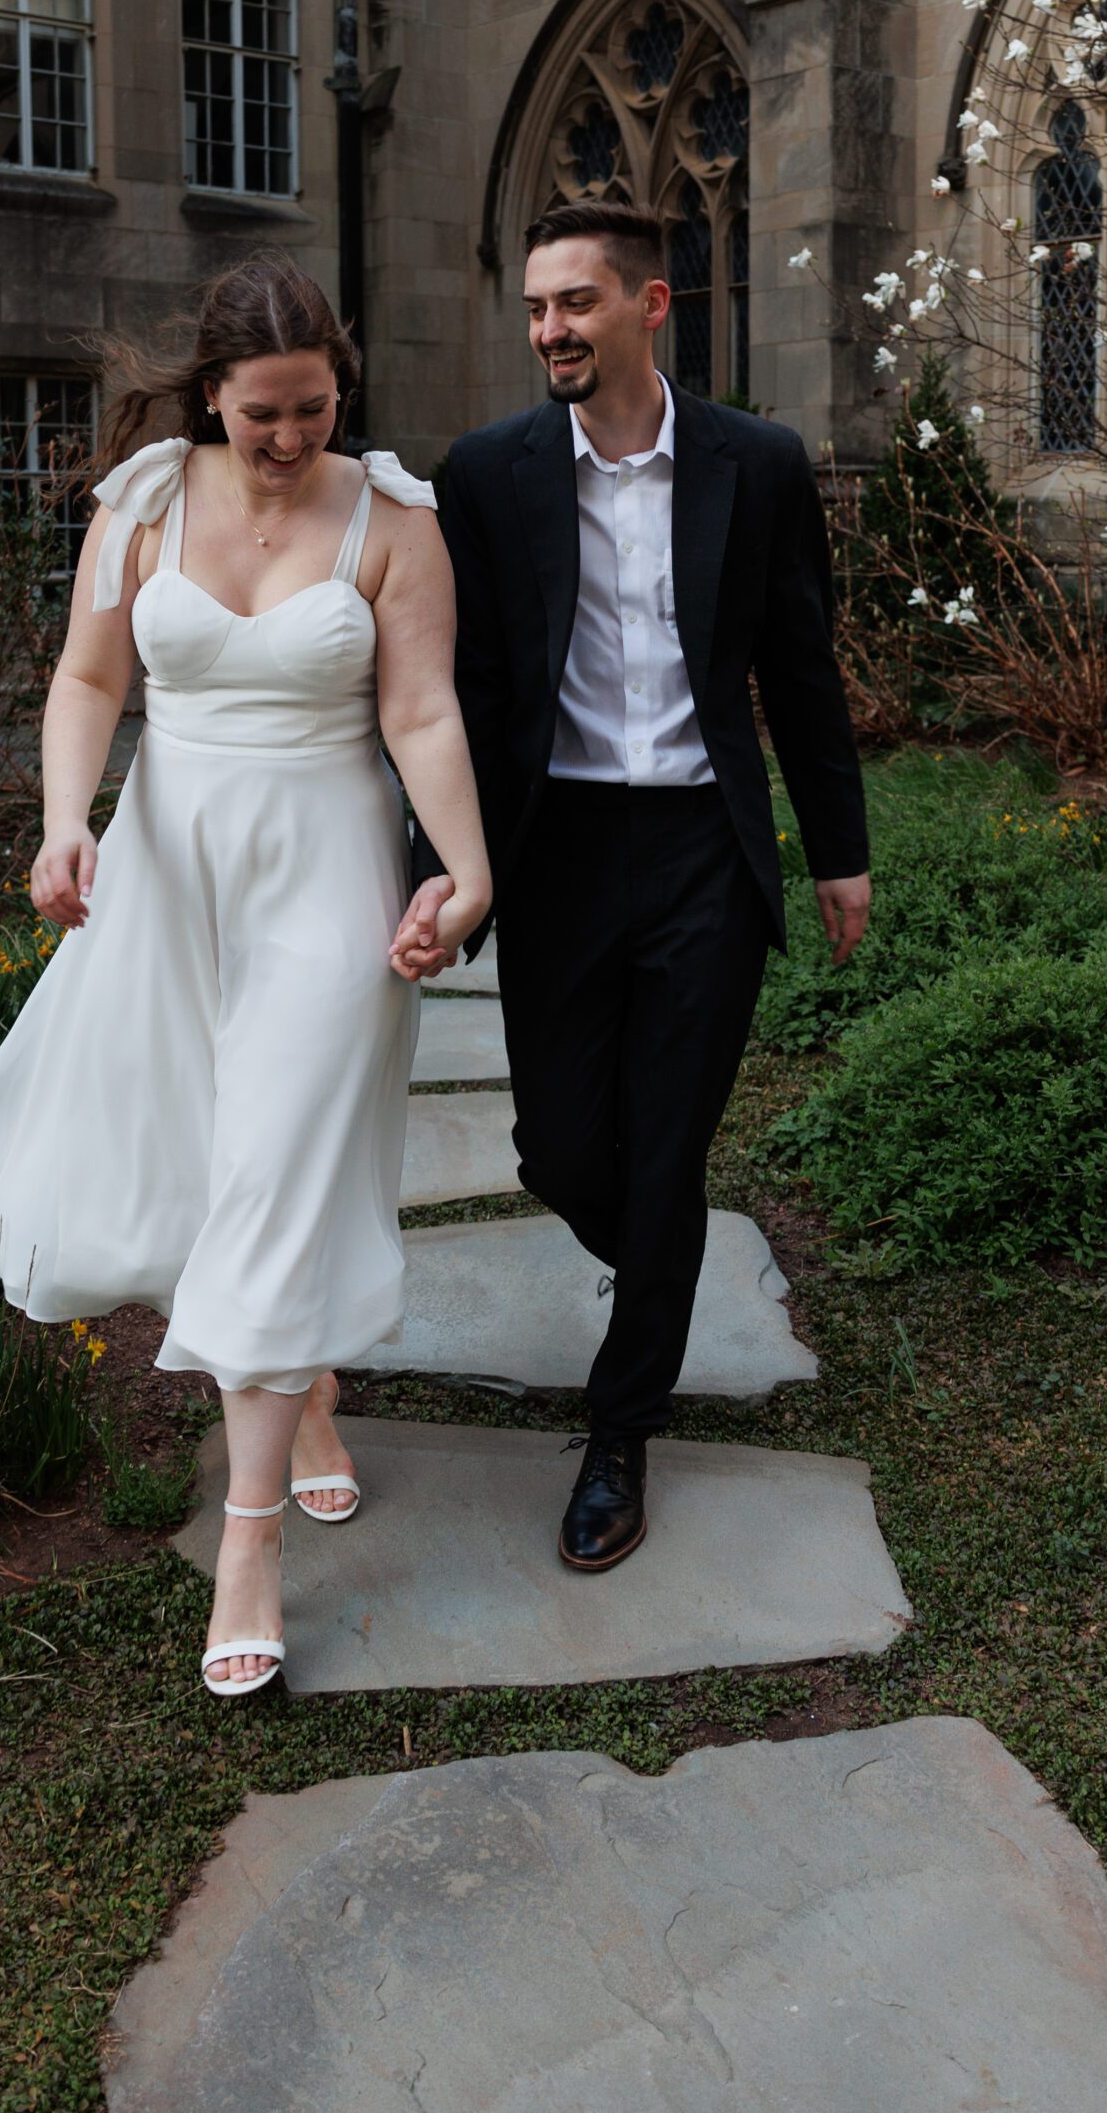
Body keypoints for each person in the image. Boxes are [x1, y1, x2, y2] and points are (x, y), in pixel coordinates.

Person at [0, 259, 490, 1697]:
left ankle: (245, 1549)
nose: (288, 441)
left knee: (281, 1165)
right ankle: (294, 1405)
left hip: (327, 876)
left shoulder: (396, 520)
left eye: (314, 410)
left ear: (338, 390)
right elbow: (90, 681)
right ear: (209, 397)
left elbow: (420, 708)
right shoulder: (145, 502)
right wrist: (62, 820)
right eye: (261, 416)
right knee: (204, 1157)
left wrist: (467, 876)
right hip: (169, 870)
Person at [391, 200, 870, 1574]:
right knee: (560, 1147)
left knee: (665, 1147)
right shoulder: (487, 476)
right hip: (558, 854)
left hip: (701, 852)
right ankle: (661, 1254)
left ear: (649, 307)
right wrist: (443, 865)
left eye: (576, 304)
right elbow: (462, 697)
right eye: (537, 307)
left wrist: (839, 851)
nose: (549, 328)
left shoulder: (757, 465)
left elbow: (802, 667)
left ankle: (622, 1426)